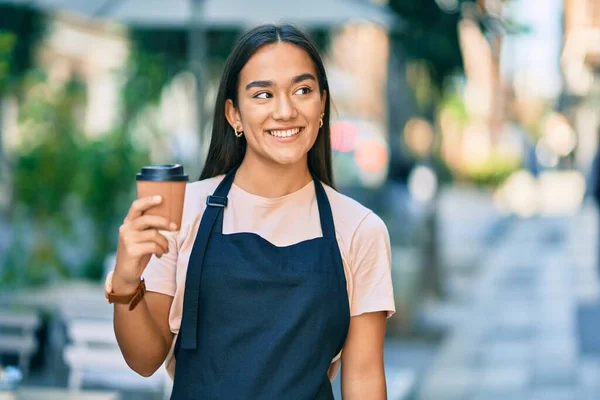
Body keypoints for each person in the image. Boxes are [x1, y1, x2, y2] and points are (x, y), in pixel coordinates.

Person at [104, 24, 395, 399]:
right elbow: (144, 360)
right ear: (234, 114)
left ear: (322, 104)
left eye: (302, 90)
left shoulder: (359, 229)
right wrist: (126, 281)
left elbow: (365, 378)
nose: (285, 110)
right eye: (263, 94)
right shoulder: (184, 211)